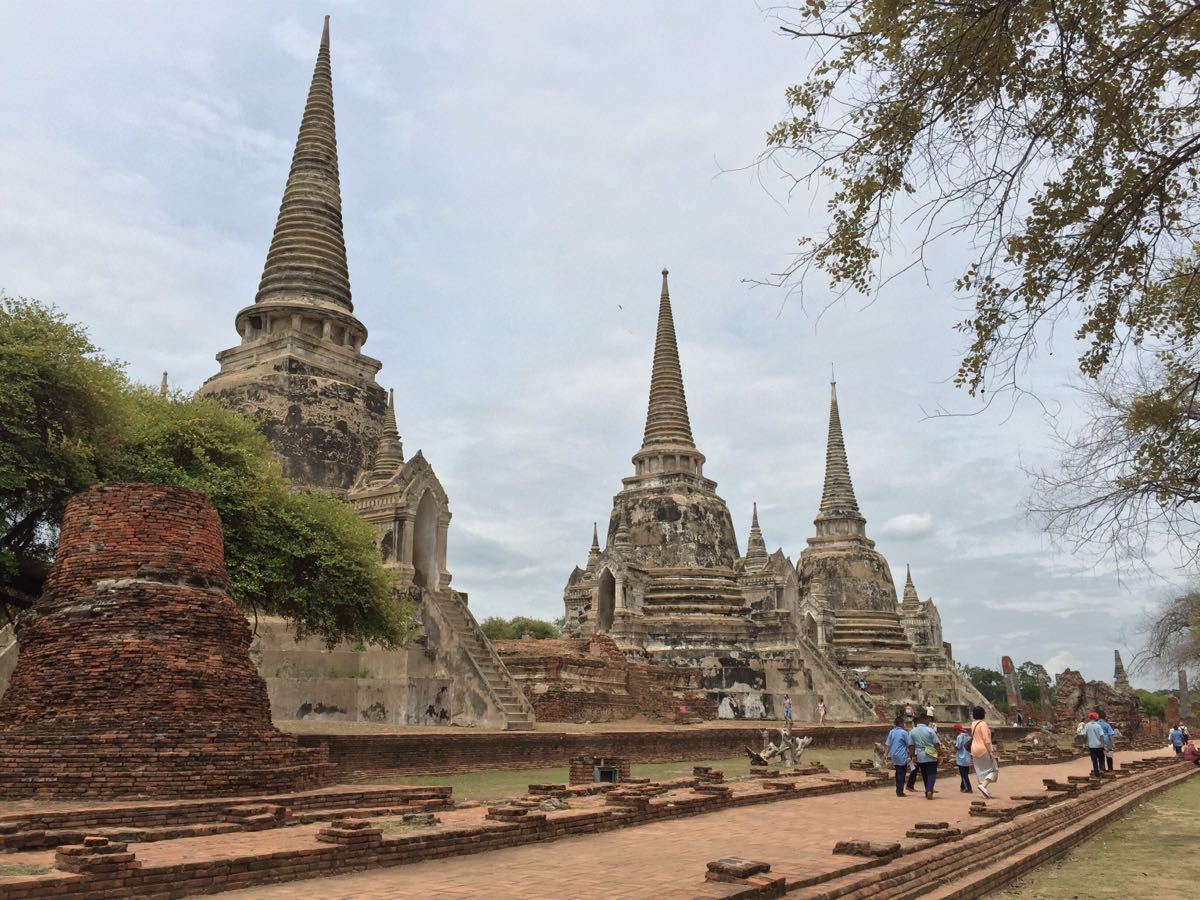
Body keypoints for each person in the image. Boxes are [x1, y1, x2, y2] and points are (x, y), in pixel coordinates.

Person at [909, 714, 942, 799]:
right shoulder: (930, 730)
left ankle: (927, 790)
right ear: (924, 720)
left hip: (920, 754)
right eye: (928, 720)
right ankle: (929, 789)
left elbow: (911, 746)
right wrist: (939, 755)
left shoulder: (913, 731)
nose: (929, 722)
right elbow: (936, 744)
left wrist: (913, 756)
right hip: (931, 752)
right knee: (932, 773)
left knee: (924, 774)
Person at [970, 705, 998, 799]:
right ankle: (983, 785)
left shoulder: (973, 724)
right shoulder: (983, 724)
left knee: (980, 771)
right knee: (994, 769)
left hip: (974, 749)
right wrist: (990, 752)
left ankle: (984, 788)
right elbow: (986, 740)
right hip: (983, 749)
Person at [886, 714, 915, 797]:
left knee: (898, 772)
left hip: (894, 755)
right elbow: (909, 744)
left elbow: (888, 744)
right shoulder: (904, 732)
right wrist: (912, 755)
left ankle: (898, 789)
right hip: (901, 755)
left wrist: (886, 754)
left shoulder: (892, 732)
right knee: (901, 773)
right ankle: (900, 791)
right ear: (901, 723)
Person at [953, 723, 973, 793]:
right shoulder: (968, 736)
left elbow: (958, 747)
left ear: (957, 730)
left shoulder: (959, 737)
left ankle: (968, 788)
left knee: (963, 774)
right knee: (965, 774)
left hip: (961, 758)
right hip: (967, 757)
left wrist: (954, 748)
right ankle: (962, 787)